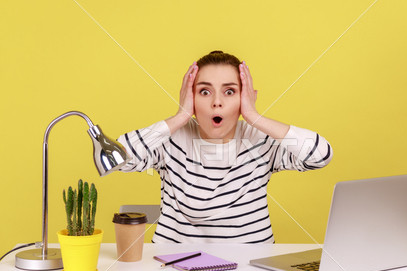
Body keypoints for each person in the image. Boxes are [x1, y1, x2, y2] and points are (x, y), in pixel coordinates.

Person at [117, 51, 333, 243]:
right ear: (190, 98)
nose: (217, 102)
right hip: (174, 267)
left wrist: (254, 117)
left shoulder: (260, 139)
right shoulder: (169, 140)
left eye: (229, 92)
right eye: (204, 92)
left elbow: (320, 155)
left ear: (246, 98)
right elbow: (117, 158)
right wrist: (180, 116)